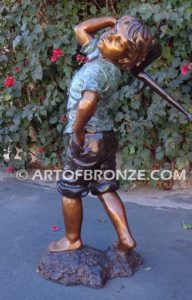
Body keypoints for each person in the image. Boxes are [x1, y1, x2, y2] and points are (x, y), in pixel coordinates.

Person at [48, 15, 153, 252]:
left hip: (89, 136)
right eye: (112, 31)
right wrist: (109, 20)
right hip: (105, 137)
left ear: (126, 57)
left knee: (70, 189)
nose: (108, 37)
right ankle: (125, 238)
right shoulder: (102, 56)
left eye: (117, 39)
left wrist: (77, 132)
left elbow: (87, 102)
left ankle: (72, 240)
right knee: (106, 187)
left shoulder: (97, 71)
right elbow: (80, 28)